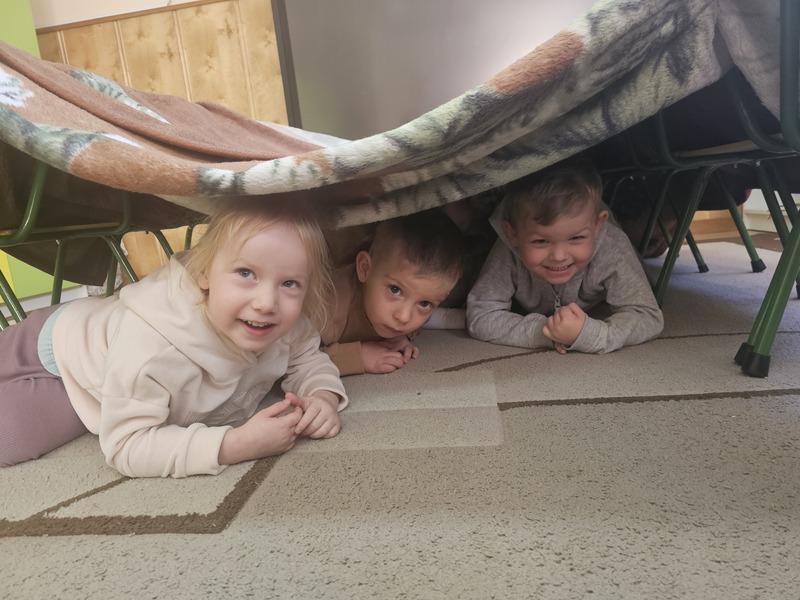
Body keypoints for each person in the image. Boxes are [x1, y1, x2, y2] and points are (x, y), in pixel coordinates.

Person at [0, 199, 348, 477]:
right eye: (246, 273)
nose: (266, 303)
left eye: (289, 283)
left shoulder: (287, 324)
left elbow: (308, 358)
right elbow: (127, 446)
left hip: (96, 369)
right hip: (55, 348)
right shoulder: (154, 346)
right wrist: (235, 444)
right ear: (204, 273)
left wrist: (323, 396)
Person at [466, 160, 663, 354]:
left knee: (639, 278)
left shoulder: (612, 246)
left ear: (597, 226)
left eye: (576, 238)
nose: (559, 257)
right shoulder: (507, 250)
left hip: (613, 254)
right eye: (541, 241)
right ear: (513, 234)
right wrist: (547, 332)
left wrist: (591, 335)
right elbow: (480, 315)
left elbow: (647, 315)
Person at [321, 209, 465, 375]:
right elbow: (296, 360)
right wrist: (357, 356)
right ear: (365, 268)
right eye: (395, 290)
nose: (404, 317)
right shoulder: (327, 306)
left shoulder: (406, 306)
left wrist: (401, 337)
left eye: (424, 303)